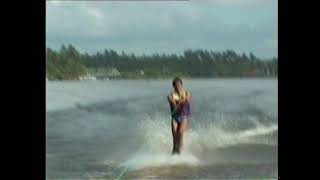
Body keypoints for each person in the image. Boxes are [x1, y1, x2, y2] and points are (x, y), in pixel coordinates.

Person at [167, 77, 191, 155]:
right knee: (174, 134)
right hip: (174, 117)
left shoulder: (187, 93)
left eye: (179, 84)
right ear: (173, 86)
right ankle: (174, 150)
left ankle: (180, 149)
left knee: (180, 132)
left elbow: (188, 99)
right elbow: (172, 102)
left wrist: (182, 100)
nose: (178, 86)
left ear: (181, 85)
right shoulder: (170, 95)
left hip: (184, 117)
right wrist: (175, 103)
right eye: (176, 85)